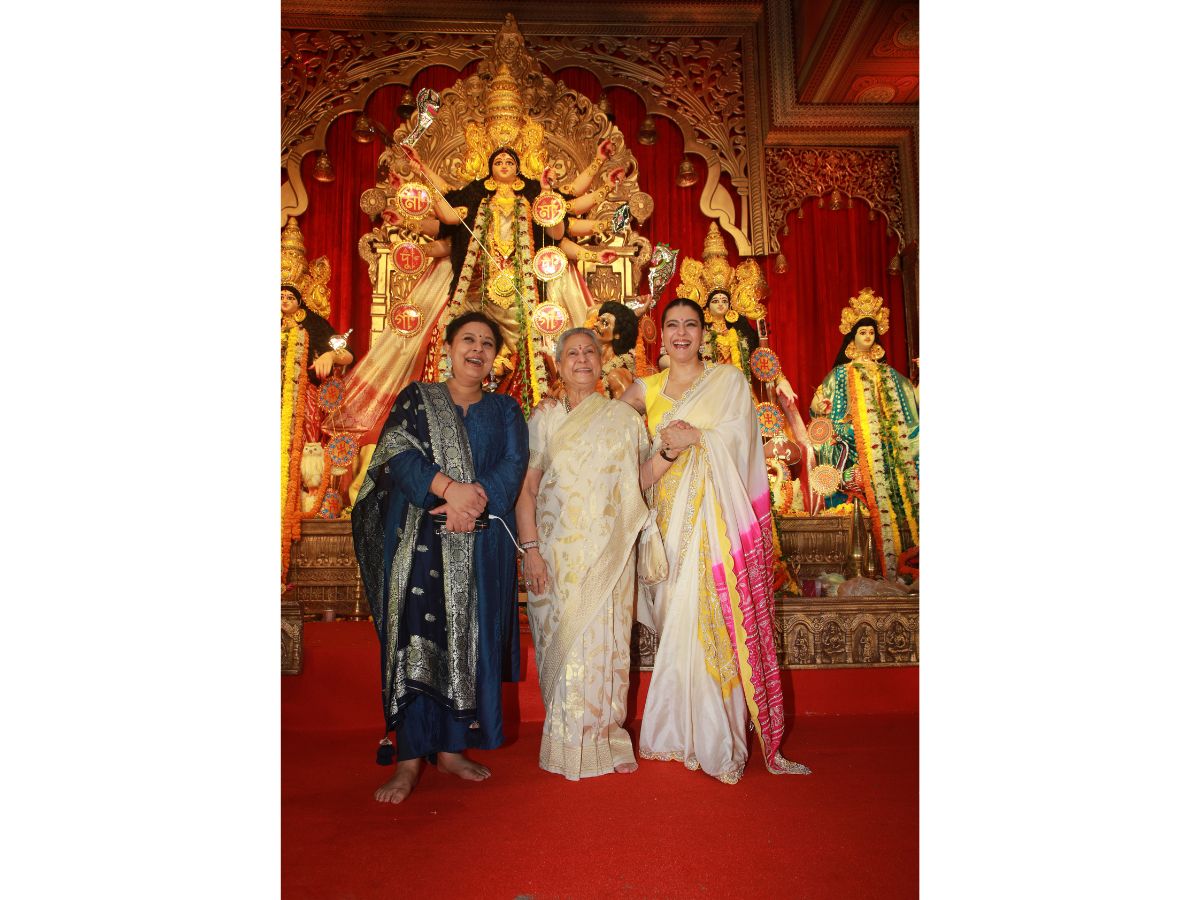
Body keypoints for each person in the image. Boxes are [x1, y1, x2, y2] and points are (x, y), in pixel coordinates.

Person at [620, 297, 810, 783]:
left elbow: (742, 443)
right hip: (665, 526)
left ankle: (717, 738)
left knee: (712, 621)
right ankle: (675, 731)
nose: (681, 333)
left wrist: (699, 438)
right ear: (660, 333)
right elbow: (612, 439)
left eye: (691, 325)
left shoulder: (727, 381)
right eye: (672, 325)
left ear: (704, 334)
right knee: (675, 622)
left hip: (716, 525)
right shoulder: (645, 388)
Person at [351, 311, 529, 803]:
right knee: (415, 639)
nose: (477, 349)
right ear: (448, 348)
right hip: (419, 544)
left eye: (487, 343)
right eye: (468, 339)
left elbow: (513, 464)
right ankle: (409, 759)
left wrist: (471, 505)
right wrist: (449, 490)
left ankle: (451, 749)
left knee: (470, 642)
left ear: (495, 357)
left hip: (482, 544)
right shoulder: (416, 398)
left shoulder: (506, 410)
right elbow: (396, 454)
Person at [514, 327, 672, 779]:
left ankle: (607, 739)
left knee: (611, 645)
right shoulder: (544, 418)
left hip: (611, 552)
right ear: (559, 364)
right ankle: (568, 744)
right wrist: (531, 550)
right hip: (557, 556)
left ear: (602, 362)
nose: (581, 359)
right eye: (572, 353)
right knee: (567, 644)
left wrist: (669, 454)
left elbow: (637, 481)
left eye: (589, 352)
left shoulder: (623, 418)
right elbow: (527, 489)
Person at [402, 143, 626, 414]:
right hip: (477, 289)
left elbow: (558, 230)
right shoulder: (475, 195)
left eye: (509, 161)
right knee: (465, 342)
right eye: (498, 162)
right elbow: (448, 211)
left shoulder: (532, 194)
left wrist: (553, 190)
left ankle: (520, 411)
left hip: (521, 293)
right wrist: (420, 170)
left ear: (518, 168)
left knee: (526, 353)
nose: (504, 165)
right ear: (490, 169)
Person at [809, 293, 918, 580]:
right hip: (851, 447)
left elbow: (909, 402)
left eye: (871, 332)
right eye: (862, 332)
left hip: (883, 447)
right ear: (852, 338)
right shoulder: (839, 375)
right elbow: (819, 406)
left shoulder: (889, 375)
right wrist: (821, 407)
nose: (868, 336)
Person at [281, 283, 354, 442]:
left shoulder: (312, 322)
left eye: (290, 297)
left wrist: (330, 355)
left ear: (299, 301)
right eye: (281, 297)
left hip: (303, 392)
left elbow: (348, 354)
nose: (284, 301)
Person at [591, 300, 639, 399]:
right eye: (598, 320)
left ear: (617, 335)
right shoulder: (590, 363)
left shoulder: (617, 375)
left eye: (604, 323)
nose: (596, 324)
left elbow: (627, 408)